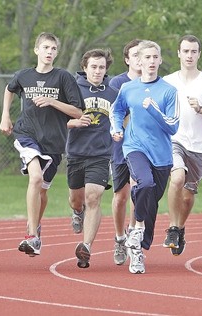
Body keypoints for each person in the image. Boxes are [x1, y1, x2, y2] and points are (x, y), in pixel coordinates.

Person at [0, 32, 84, 257]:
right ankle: (31, 234)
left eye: (53, 49)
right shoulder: (23, 76)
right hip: (26, 134)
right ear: (37, 50)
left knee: (42, 190)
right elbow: (9, 89)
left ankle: (36, 227)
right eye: (45, 48)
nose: (49, 52)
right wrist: (5, 116)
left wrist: (52, 101)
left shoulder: (63, 78)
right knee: (35, 178)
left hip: (53, 141)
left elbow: (77, 111)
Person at [110, 40, 179, 274]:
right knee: (144, 183)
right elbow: (117, 109)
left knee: (151, 201)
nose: (150, 62)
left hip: (161, 155)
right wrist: (116, 127)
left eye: (154, 57)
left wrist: (154, 110)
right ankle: (136, 230)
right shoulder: (129, 88)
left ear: (160, 60)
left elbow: (173, 126)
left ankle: (138, 247)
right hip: (134, 146)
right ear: (139, 61)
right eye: (146, 57)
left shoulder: (169, 91)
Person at [162, 35, 202, 257]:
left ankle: (180, 228)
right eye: (185, 51)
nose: (189, 55)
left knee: (188, 196)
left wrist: (201, 109)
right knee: (177, 178)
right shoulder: (167, 82)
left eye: (193, 51)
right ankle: (171, 227)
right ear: (179, 53)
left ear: (199, 54)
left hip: (200, 146)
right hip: (174, 140)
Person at [67, 48, 118, 268]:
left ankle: (86, 246)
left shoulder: (113, 93)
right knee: (77, 199)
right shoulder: (72, 90)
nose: (98, 71)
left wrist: (118, 131)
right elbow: (58, 121)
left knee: (94, 196)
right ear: (85, 68)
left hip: (101, 154)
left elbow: (123, 118)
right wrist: (74, 122)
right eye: (94, 67)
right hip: (76, 153)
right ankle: (77, 212)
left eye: (102, 67)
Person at [108, 39, 142, 266]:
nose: (141, 59)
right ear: (128, 59)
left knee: (137, 191)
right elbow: (113, 113)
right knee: (121, 196)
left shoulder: (153, 83)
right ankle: (119, 237)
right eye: (136, 55)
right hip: (120, 146)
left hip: (142, 147)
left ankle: (132, 234)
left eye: (145, 54)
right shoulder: (116, 83)